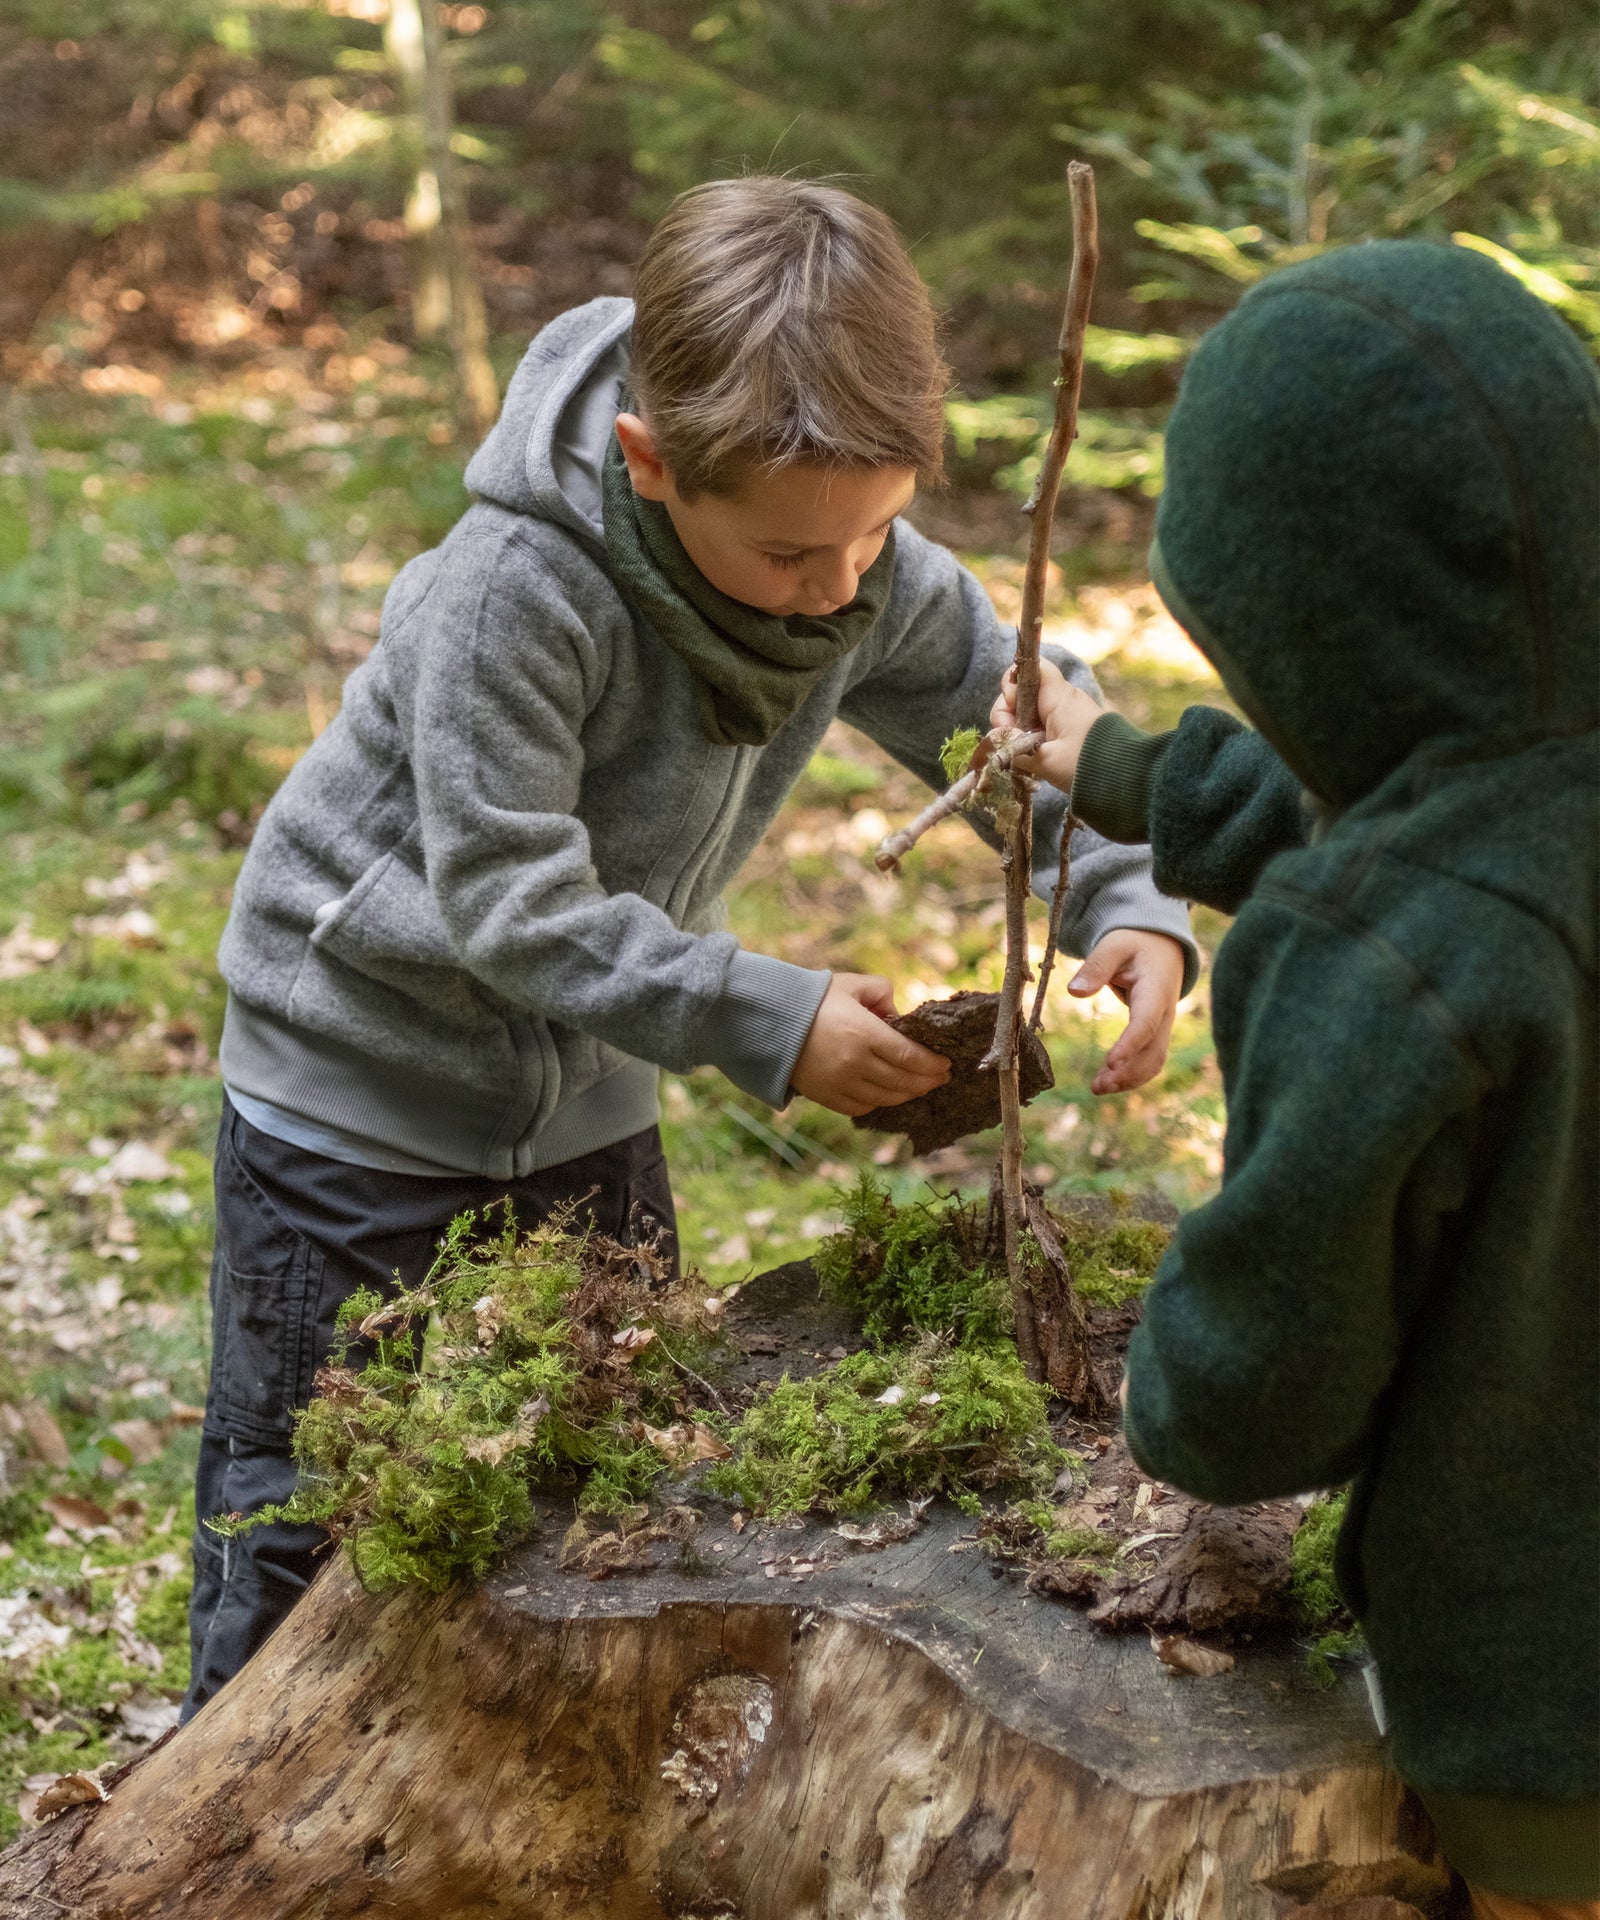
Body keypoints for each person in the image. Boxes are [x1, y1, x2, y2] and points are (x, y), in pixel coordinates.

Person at [184, 176, 1197, 1717]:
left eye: (881, 530)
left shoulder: (853, 566)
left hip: (589, 1104)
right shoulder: (513, 596)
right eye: (799, 557)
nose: (844, 585)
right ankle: (228, 1816)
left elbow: (1021, 731)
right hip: (357, 1114)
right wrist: (766, 1015)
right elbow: (508, 899)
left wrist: (1122, 897)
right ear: (654, 468)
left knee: (602, 1498)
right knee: (315, 1527)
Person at [996, 240, 1598, 1916]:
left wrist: (1167, 1385)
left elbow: (1274, 1387)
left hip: (1553, 1716)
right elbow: (1454, 799)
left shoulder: (1376, 961)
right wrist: (1132, 773)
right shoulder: (1515, 826)